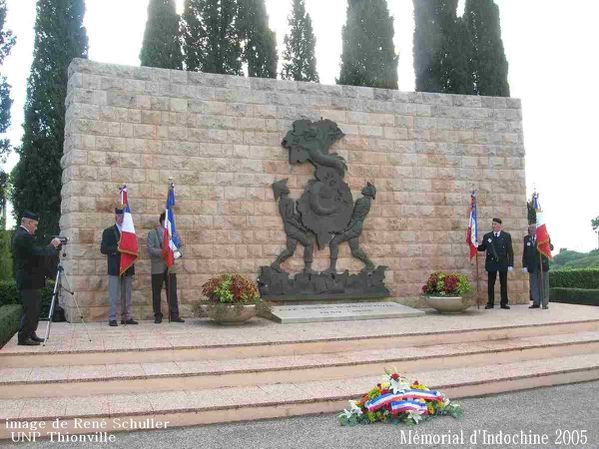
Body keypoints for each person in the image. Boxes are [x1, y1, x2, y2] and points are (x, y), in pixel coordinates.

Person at [11, 211, 61, 345]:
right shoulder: (23, 236)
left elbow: (35, 253)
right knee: (30, 309)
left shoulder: (24, 236)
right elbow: (36, 254)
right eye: (35, 224)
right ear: (27, 222)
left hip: (32, 280)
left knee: (35, 309)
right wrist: (52, 246)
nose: (36, 227)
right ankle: (23, 337)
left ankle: (31, 333)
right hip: (28, 280)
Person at [100, 208, 137, 326]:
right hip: (114, 266)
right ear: (116, 216)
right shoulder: (108, 231)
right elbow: (103, 249)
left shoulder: (129, 231)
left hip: (127, 266)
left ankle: (126, 316)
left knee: (127, 294)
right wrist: (117, 249)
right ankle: (112, 318)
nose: (121, 218)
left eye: (123, 216)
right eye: (120, 216)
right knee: (113, 294)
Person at [147, 212, 184, 323]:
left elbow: (180, 246)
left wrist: (177, 254)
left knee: (172, 292)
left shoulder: (173, 233)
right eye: (166, 221)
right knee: (156, 292)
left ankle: (174, 314)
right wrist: (163, 253)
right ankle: (158, 315)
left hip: (170, 266)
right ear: (162, 221)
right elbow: (150, 249)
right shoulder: (153, 233)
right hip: (157, 267)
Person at [477, 218, 514, 309]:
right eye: (492, 224)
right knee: (490, 284)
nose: (493, 226)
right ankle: (490, 303)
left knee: (503, 284)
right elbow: (482, 248)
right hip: (491, 263)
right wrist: (475, 245)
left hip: (502, 262)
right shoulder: (487, 236)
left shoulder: (506, 236)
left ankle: (504, 303)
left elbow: (510, 251)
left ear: (499, 225)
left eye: (495, 224)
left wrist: (510, 264)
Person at [522, 223, 553, 309]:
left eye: (533, 227)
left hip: (542, 264)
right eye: (530, 228)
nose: (532, 229)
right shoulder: (526, 238)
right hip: (532, 265)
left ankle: (544, 303)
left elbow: (550, 247)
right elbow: (525, 253)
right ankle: (536, 302)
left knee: (544, 284)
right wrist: (524, 265)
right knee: (534, 284)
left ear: (537, 228)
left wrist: (547, 244)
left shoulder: (543, 236)